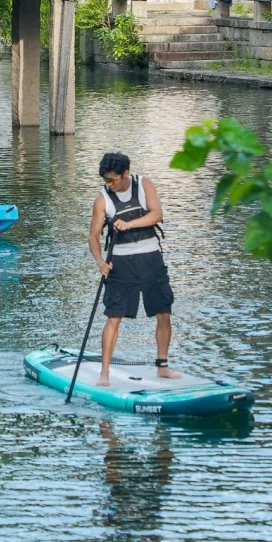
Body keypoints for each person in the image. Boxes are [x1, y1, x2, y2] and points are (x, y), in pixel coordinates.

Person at [88, 151, 179, 387]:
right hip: (121, 264)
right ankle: (104, 374)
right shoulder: (103, 199)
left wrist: (129, 224)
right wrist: (100, 262)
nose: (109, 184)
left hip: (151, 260)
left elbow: (157, 214)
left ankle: (163, 367)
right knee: (114, 318)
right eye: (106, 180)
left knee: (163, 313)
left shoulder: (144, 184)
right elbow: (93, 236)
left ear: (125, 173)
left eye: (113, 179)